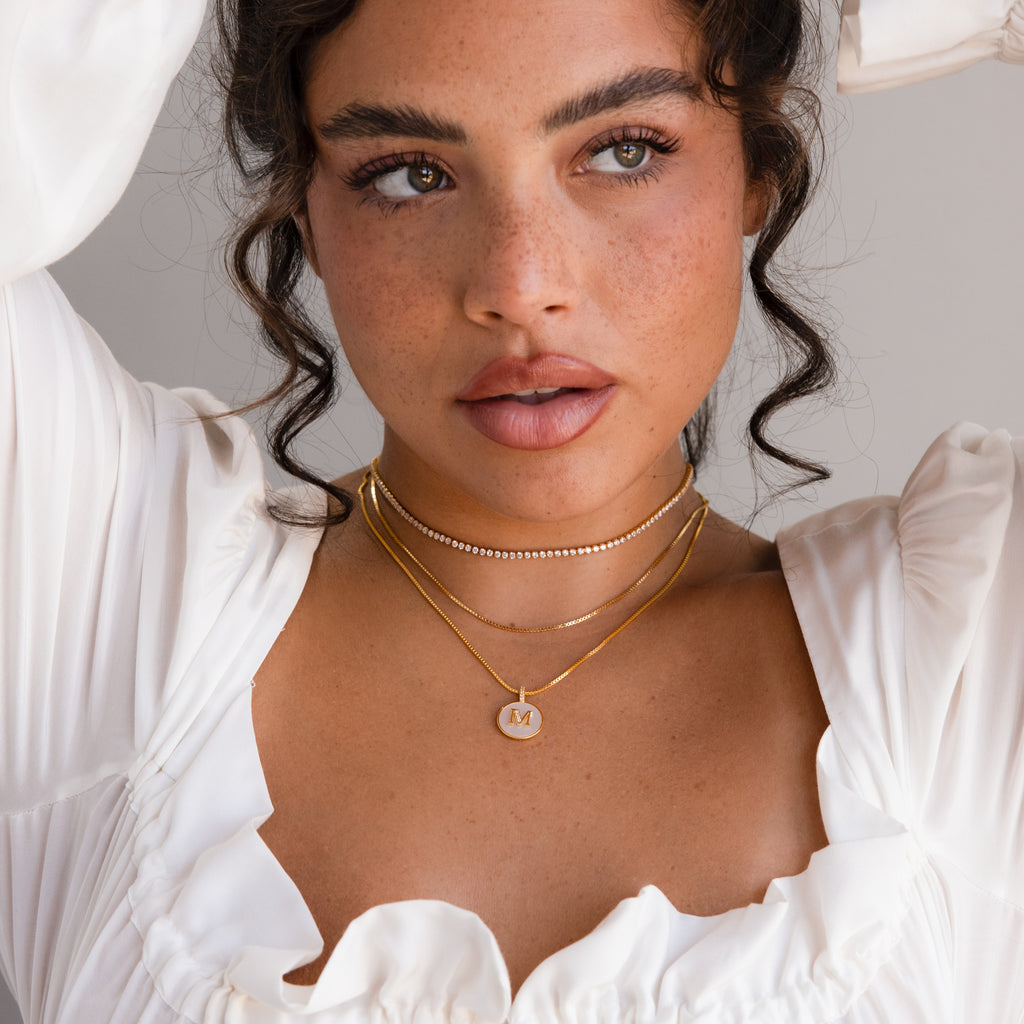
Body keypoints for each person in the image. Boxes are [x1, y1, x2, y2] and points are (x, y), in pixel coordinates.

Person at [0, 1, 1021, 1022]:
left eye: (623, 150)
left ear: (756, 162)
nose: (520, 286)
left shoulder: (969, 661)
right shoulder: (105, 600)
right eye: (408, 173)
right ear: (304, 205)